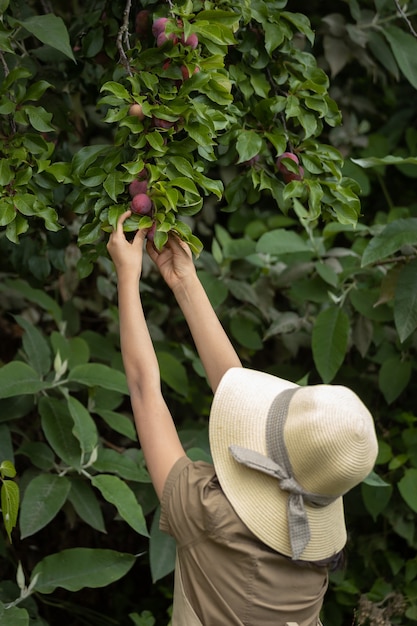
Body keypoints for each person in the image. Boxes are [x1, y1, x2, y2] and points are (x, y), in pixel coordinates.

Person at [107, 210, 379, 626]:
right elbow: (232, 389)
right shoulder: (316, 553)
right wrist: (184, 282)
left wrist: (127, 278)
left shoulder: (208, 515)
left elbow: (145, 392)